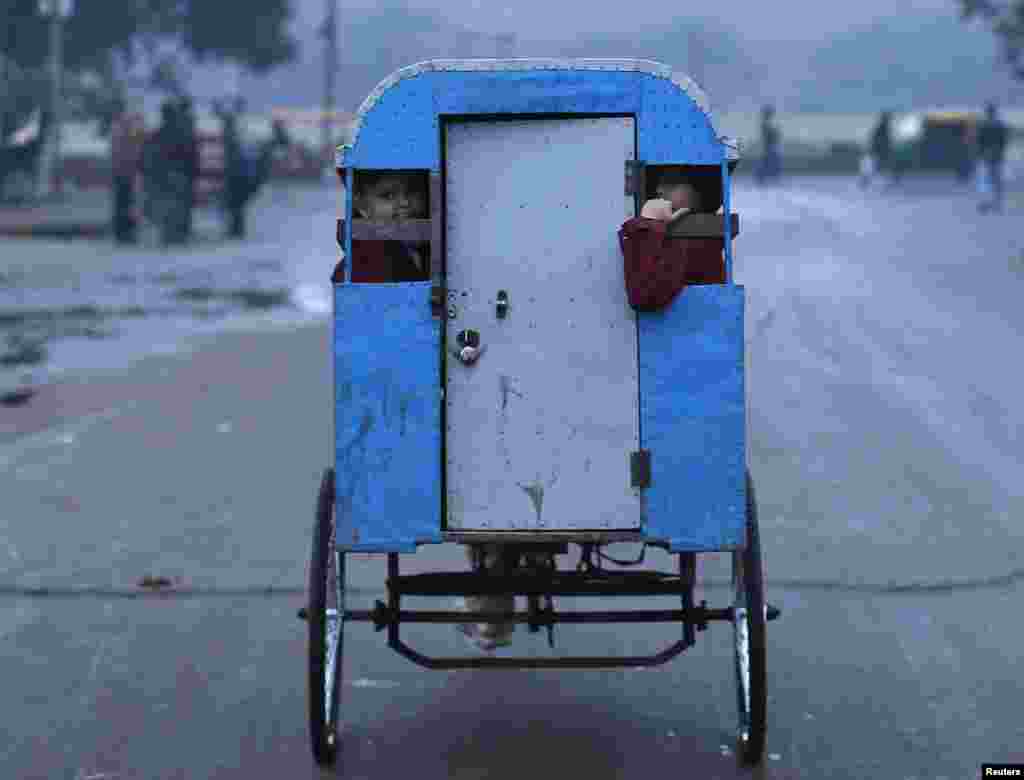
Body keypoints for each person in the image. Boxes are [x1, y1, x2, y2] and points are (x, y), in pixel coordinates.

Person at [619, 166, 726, 311]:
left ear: (699, 192)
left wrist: (649, 223)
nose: (659, 190)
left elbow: (644, 296)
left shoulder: (698, 243)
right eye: (659, 184)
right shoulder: (683, 239)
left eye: (672, 182)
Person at [331, 170, 430, 282]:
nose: (404, 203)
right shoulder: (359, 270)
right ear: (362, 206)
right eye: (388, 195)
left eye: (412, 191)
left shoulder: (426, 251)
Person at [109, 104, 145, 244]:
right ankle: (126, 232)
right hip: (128, 172)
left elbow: (116, 152)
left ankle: (122, 232)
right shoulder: (127, 130)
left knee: (122, 203)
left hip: (121, 172)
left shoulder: (117, 129)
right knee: (128, 204)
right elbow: (136, 149)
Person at [976, 102, 1009, 213]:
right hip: (996, 155)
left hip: (988, 155)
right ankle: (996, 202)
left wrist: (981, 153)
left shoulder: (984, 125)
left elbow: (980, 141)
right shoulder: (999, 125)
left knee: (987, 180)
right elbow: (1003, 141)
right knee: (995, 179)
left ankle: (988, 202)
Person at [863, 111, 892, 190]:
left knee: (877, 167)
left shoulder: (884, 128)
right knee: (875, 167)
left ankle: (866, 182)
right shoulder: (882, 128)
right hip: (878, 152)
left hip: (879, 152)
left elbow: (886, 140)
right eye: (888, 118)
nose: (889, 120)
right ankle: (865, 182)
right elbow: (878, 140)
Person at [756, 104, 781, 185]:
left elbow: (773, 136)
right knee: (769, 162)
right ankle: (763, 178)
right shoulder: (765, 124)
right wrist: (775, 132)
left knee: (768, 162)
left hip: (769, 147)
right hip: (769, 147)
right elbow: (770, 136)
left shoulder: (766, 124)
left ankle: (763, 178)